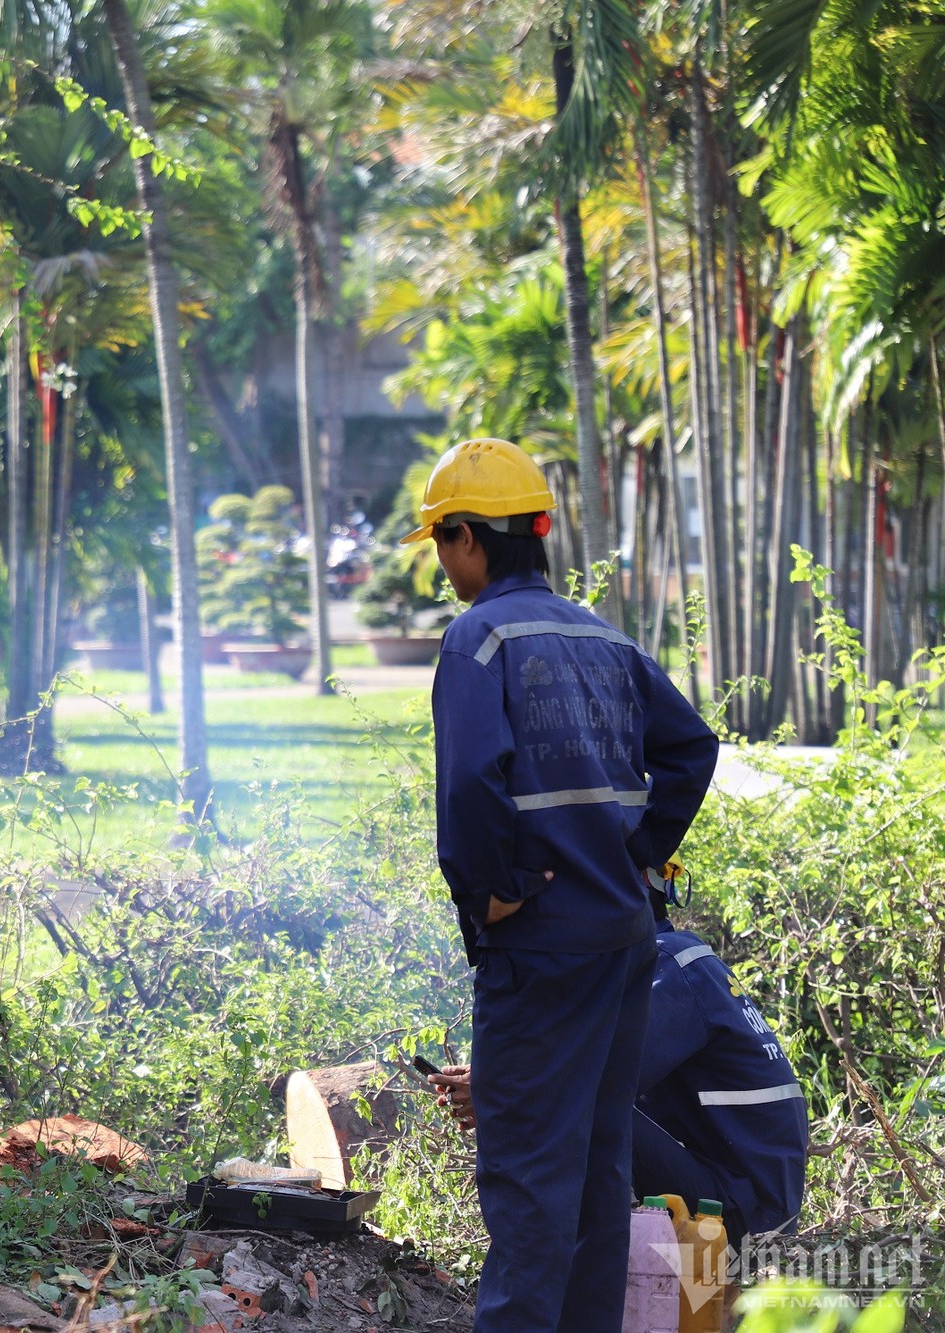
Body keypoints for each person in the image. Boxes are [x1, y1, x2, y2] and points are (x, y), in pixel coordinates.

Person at [410, 437, 720, 1332]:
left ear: (469, 536)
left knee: (526, 1183)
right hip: (623, 941)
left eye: (442, 541)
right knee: (595, 1171)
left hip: (538, 950)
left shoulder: (478, 639)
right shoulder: (601, 634)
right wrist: (639, 851)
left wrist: (491, 890)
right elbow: (692, 748)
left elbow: (470, 784)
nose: (443, 563)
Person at [429, 878, 810, 1241]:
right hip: (743, 1198)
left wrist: (500, 1093)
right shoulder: (677, 960)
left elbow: (591, 1079)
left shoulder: (667, 964)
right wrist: (499, 1087)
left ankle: (571, 1273)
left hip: (740, 1214)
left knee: (578, 1107)